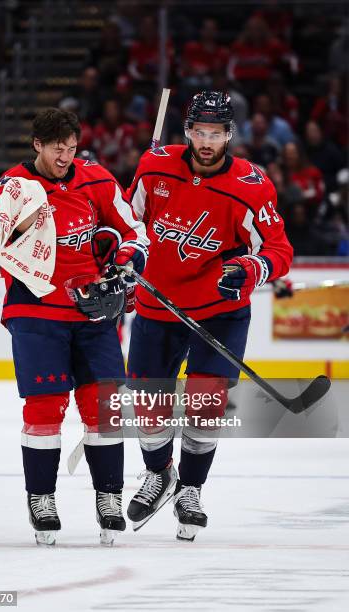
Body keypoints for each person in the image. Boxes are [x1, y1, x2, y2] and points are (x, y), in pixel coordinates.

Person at [125, 91, 293, 541]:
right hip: (157, 305)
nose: (206, 141)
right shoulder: (154, 167)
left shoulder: (251, 186)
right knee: (148, 402)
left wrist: (250, 269)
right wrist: (122, 255)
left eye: (215, 133)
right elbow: (128, 223)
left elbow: (278, 250)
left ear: (229, 135)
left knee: (205, 406)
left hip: (220, 311)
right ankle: (160, 474)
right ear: (187, 132)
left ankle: (190, 490)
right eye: (199, 132)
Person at [0, 108, 149, 546]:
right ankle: (42, 499)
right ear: (37, 144)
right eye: (57, 148)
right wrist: (13, 247)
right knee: (44, 410)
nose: (65, 156)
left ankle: (108, 498)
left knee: (103, 409)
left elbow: (134, 231)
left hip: (93, 311)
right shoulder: (12, 187)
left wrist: (124, 260)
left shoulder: (94, 178)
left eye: (72, 148)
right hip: (36, 312)